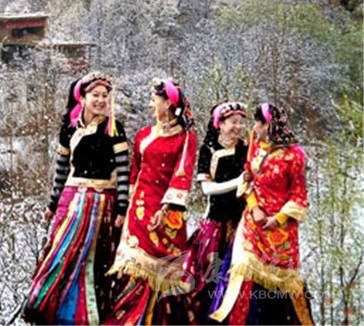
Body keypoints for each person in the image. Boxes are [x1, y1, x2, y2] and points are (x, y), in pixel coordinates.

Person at [23, 72, 129, 325]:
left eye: (105, 96)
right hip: (71, 203)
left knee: (97, 262)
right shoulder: (69, 129)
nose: (101, 100)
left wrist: (122, 208)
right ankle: (54, 310)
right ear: (82, 98)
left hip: (103, 203)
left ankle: (89, 315)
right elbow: (61, 171)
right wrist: (52, 204)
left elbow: (124, 171)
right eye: (95, 95)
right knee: (64, 254)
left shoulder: (114, 128)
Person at [209, 103, 313, 325]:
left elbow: (299, 196)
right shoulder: (255, 148)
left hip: (281, 231)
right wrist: (254, 207)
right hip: (252, 225)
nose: (253, 127)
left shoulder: (293, 156)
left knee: (279, 290)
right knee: (241, 274)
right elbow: (247, 180)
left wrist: (278, 219)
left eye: (257, 123)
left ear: (268, 126)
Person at [105, 78, 198, 325]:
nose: (151, 105)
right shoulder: (143, 135)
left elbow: (182, 175)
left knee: (163, 270)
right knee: (133, 265)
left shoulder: (186, 138)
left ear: (168, 103)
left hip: (167, 211)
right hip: (139, 209)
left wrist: (166, 209)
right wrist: (125, 206)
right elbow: (135, 173)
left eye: (154, 100)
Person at [183, 101, 249, 324]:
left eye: (240, 122)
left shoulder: (246, 148)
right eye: (233, 122)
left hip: (240, 222)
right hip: (215, 220)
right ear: (220, 124)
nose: (238, 127)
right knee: (208, 276)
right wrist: (237, 181)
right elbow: (207, 188)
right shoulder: (209, 150)